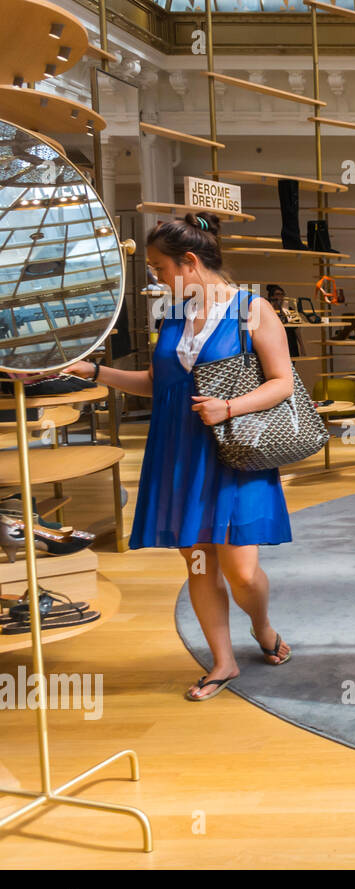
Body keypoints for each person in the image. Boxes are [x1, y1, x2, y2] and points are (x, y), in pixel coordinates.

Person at [62, 213, 294, 702]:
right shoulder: (172, 314)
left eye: (158, 267)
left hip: (233, 450)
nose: (155, 277)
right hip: (179, 450)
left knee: (241, 570)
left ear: (190, 262)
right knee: (197, 564)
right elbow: (156, 383)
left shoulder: (253, 310)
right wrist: (93, 370)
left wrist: (228, 406)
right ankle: (222, 661)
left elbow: (282, 383)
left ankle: (263, 627)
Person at [265, 284, 302, 358]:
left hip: (290, 345)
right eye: (277, 294)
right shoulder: (267, 310)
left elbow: (296, 329)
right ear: (271, 297)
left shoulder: (289, 310)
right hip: (274, 345)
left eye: (282, 294)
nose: (280, 297)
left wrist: (302, 346)